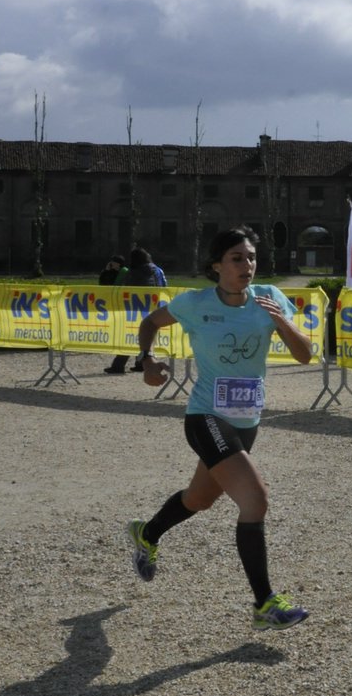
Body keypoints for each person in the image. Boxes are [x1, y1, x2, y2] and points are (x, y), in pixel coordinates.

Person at [125, 226, 315, 630]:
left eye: (250, 257)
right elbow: (150, 323)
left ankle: (147, 533)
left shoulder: (270, 298)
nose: (247, 265)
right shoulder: (194, 304)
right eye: (236, 258)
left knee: (198, 499)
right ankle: (264, 603)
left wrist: (282, 323)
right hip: (205, 416)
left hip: (246, 421)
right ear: (216, 266)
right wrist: (147, 359)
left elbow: (305, 355)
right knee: (255, 500)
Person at [107, 247, 170, 374]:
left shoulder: (132, 272)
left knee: (127, 337)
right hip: (154, 307)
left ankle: (118, 365)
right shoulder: (158, 270)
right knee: (147, 335)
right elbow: (165, 287)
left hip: (134, 309)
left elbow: (125, 289)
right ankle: (141, 362)